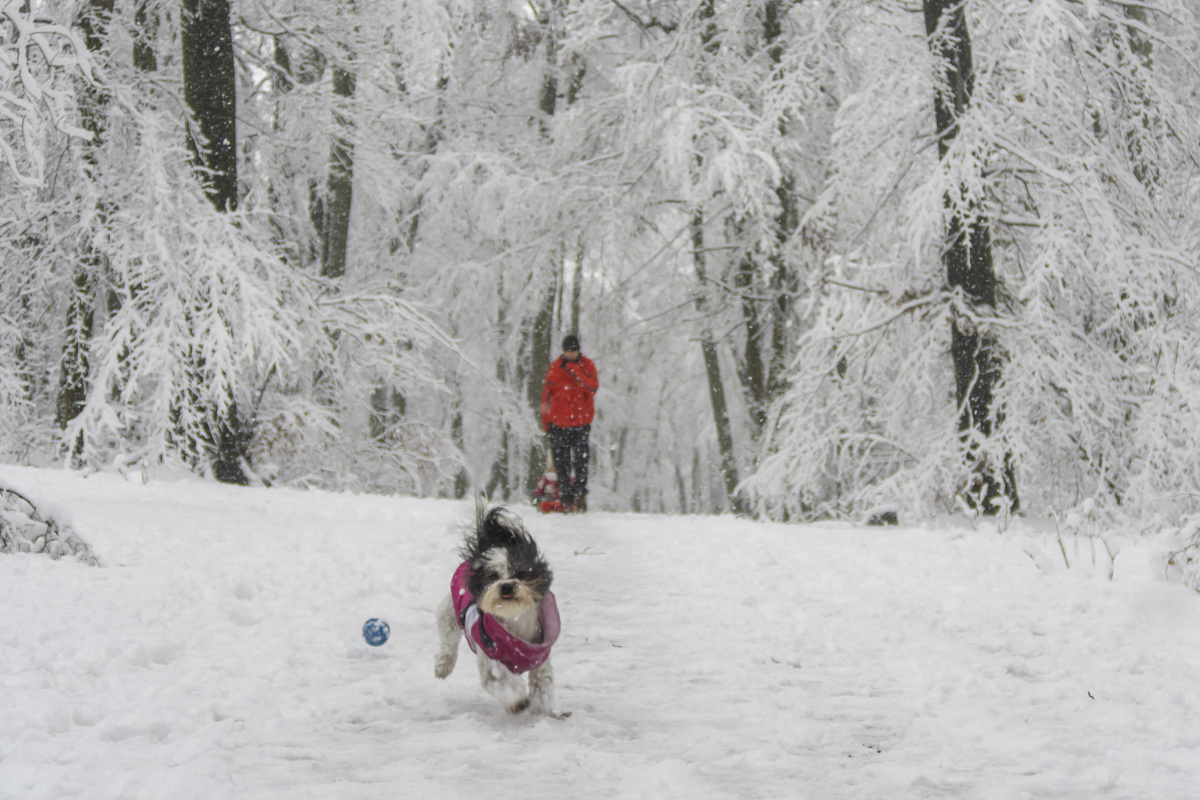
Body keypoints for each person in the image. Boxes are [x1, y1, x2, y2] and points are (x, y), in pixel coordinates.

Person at [540, 334, 599, 512]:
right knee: (561, 463)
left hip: (581, 423)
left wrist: (575, 371)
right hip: (558, 424)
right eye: (568, 352)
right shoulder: (555, 367)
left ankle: (580, 495)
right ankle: (566, 498)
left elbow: (593, 387)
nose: (571, 355)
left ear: (578, 350)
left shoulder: (587, 366)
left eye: (573, 351)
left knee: (581, 461)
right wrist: (546, 422)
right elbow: (546, 397)